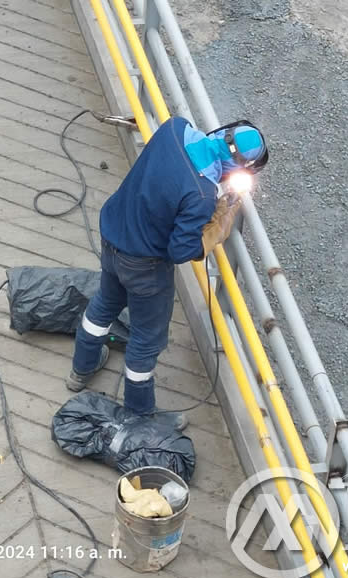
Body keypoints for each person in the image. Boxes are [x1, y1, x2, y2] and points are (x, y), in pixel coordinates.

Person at [67, 116, 268, 428]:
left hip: (113, 234)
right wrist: (217, 223)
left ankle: (80, 369)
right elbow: (180, 250)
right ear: (238, 166)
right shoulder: (201, 194)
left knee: (104, 304)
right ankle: (139, 413)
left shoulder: (174, 128)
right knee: (146, 340)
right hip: (145, 266)